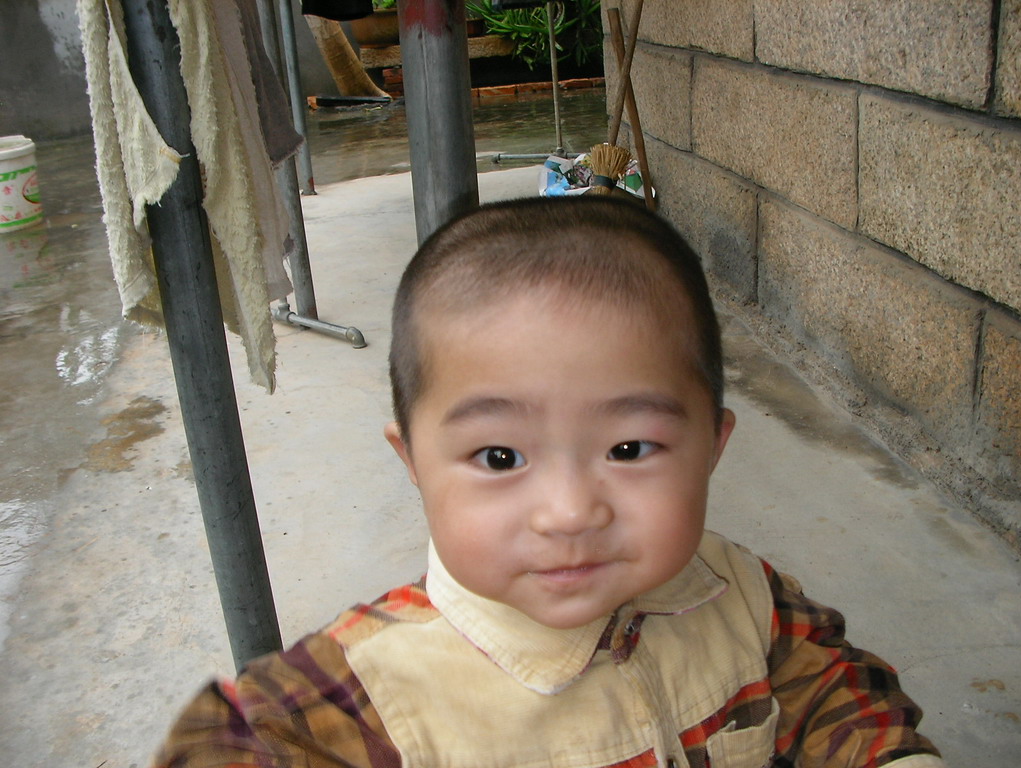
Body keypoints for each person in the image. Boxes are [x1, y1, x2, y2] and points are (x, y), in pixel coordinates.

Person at [154, 197, 944, 768]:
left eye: (630, 448)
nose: (569, 513)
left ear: (711, 446)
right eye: (501, 458)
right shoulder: (372, 689)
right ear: (414, 465)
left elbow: (839, 697)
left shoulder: (741, 595)